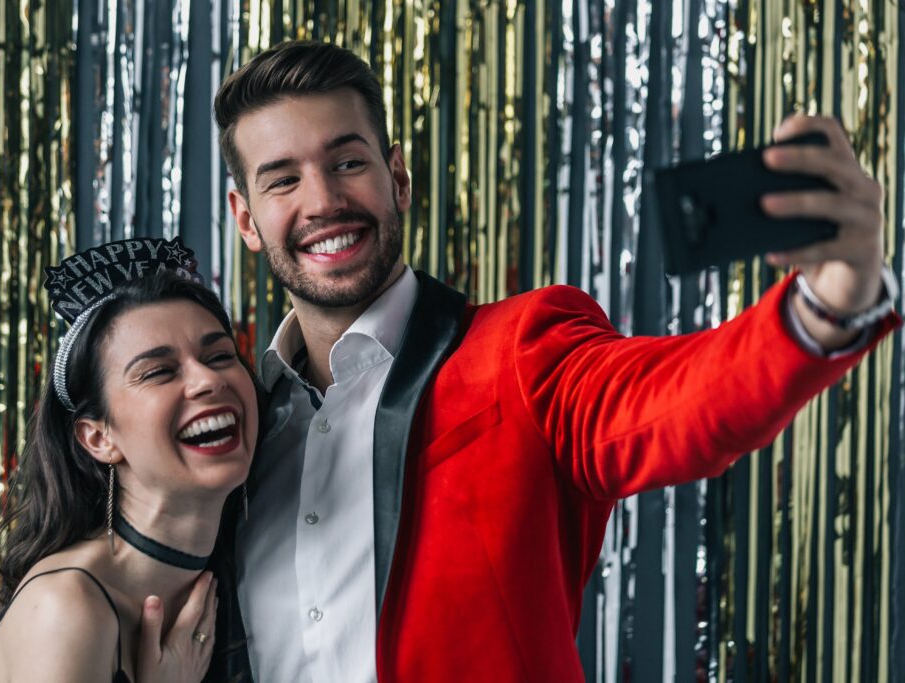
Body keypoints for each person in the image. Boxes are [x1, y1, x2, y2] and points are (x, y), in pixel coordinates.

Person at [207, 41, 900, 681]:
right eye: (283, 180)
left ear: (398, 177)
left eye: (347, 162)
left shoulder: (522, 350)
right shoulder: (233, 431)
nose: (323, 201)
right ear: (245, 218)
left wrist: (823, 307)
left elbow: (684, 402)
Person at [0, 238, 259, 682]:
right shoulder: (67, 609)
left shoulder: (233, 582)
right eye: (159, 371)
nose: (208, 380)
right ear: (98, 437)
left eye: (221, 356)